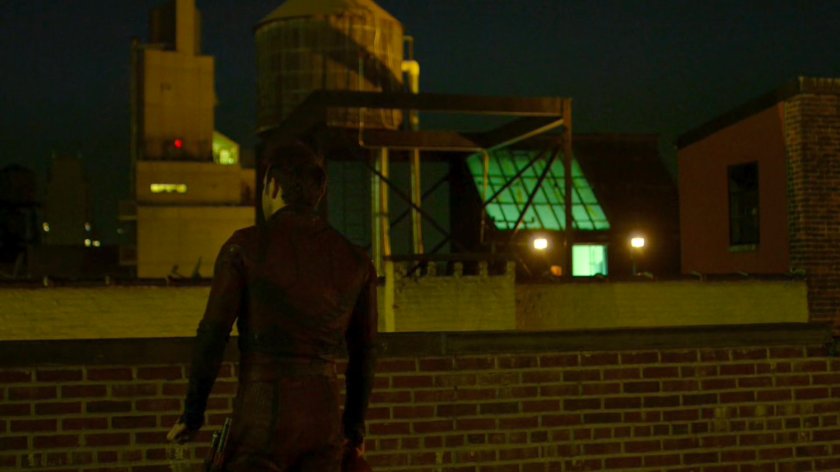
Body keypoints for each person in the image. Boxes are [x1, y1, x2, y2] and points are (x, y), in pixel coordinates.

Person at [167, 141, 378, 472]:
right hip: (322, 419)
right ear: (318, 194)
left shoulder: (244, 248)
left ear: (273, 185)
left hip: (260, 415)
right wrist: (354, 428)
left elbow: (212, 335)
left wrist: (192, 416)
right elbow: (364, 353)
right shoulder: (356, 261)